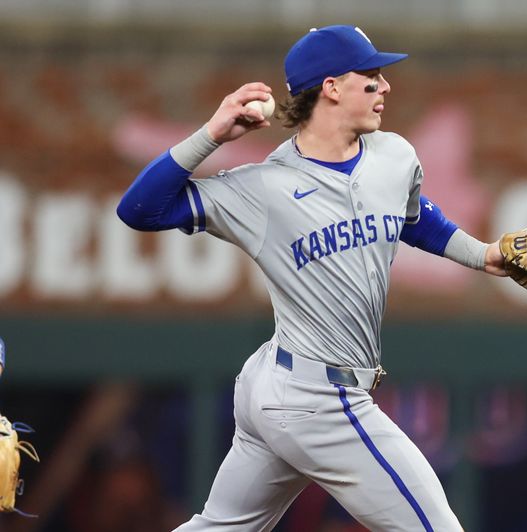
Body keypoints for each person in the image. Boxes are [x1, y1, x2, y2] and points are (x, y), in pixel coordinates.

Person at [117, 25, 506, 531]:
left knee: (219, 528)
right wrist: (210, 135)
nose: (384, 87)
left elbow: (412, 217)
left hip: (283, 387)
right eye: (370, 77)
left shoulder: (394, 155)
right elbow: (139, 210)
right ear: (331, 87)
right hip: (319, 398)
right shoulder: (263, 188)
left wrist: (483, 255)